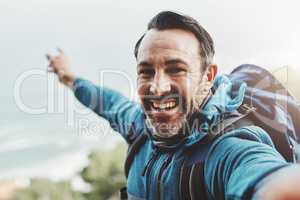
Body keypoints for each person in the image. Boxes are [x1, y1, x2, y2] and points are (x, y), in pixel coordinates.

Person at [46, 11, 300, 200]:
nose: (157, 87)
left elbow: (264, 175)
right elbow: (108, 102)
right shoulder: (139, 126)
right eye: (146, 72)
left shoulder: (227, 150)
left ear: (207, 76)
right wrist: (69, 78)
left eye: (176, 69)